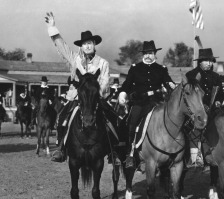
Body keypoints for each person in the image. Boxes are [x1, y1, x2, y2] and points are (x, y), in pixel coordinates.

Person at [45, 12, 116, 163]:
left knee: (113, 118)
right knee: (62, 118)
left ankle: (113, 150)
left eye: (90, 43)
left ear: (94, 44)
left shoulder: (103, 63)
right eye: (85, 44)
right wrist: (52, 28)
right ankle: (61, 149)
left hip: (96, 100)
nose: (87, 45)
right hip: (77, 99)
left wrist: (96, 95)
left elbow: (104, 82)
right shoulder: (75, 60)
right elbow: (63, 47)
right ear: (81, 47)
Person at [118, 40, 176, 168]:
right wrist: (122, 93)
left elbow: (168, 82)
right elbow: (127, 84)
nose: (148, 56)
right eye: (145, 53)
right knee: (132, 122)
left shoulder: (161, 69)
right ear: (142, 55)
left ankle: (176, 153)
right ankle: (130, 153)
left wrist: (172, 85)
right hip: (140, 102)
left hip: (158, 103)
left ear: (155, 54)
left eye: (150, 53)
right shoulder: (135, 68)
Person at [184, 48, 224, 169]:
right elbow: (189, 94)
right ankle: (191, 156)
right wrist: (200, 106)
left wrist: (218, 101)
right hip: (195, 110)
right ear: (200, 61)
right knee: (187, 129)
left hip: (213, 111)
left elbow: (222, 94)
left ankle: (222, 153)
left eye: (211, 61)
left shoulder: (216, 76)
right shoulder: (191, 75)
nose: (209, 63)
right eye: (206, 61)